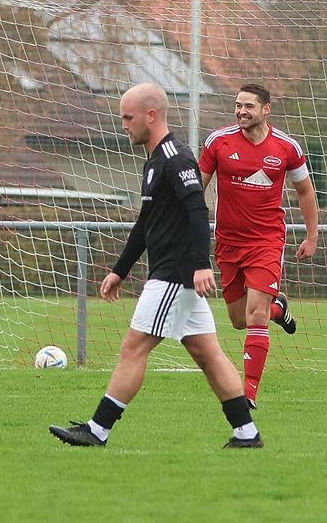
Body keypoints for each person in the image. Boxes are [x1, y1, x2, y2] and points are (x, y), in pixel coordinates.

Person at [49, 83, 262, 448]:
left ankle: (97, 430)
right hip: (173, 274)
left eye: (127, 117)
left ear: (151, 115)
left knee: (133, 348)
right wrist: (120, 269)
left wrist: (200, 265)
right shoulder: (154, 161)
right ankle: (246, 432)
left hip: (175, 276)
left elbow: (198, 209)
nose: (123, 125)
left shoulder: (176, 158)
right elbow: (146, 223)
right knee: (207, 353)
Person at [199, 83, 318, 409]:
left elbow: (305, 192)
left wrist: (312, 236)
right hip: (227, 243)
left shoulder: (286, 147)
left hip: (267, 241)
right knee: (239, 319)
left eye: (248, 106)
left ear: (266, 109)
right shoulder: (218, 142)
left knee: (254, 316)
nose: (241, 112)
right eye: (238, 105)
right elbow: (196, 188)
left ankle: (246, 395)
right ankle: (277, 309)